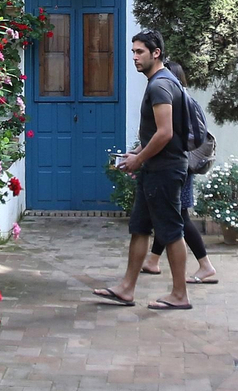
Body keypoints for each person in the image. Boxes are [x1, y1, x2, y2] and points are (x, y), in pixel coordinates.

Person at [92, 29, 191, 310]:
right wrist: (137, 152)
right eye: (133, 51)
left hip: (164, 170)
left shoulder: (160, 85)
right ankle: (126, 288)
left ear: (155, 53)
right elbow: (157, 136)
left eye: (140, 52)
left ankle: (180, 295)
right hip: (155, 168)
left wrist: (139, 159)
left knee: (171, 231)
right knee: (139, 228)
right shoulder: (163, 82)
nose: (134, 57)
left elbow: (165, 133)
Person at [139, 61, 220, 284]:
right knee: (171, 215)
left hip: (175, 165)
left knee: (179, 217)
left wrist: (140, 156)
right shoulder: (182, 99)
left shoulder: (176, 100)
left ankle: (205, 265)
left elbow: (168, 135)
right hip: (179, 164)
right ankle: (153, 260)